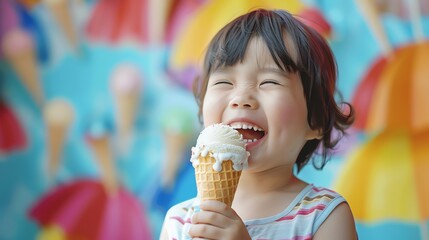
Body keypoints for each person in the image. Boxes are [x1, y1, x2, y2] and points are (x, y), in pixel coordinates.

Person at [160, 8, 357, 240]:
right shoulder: (181, 221)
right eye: (224, 81)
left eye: (269, 81)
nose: (241, 98)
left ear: (315, 120)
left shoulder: (324, 216)